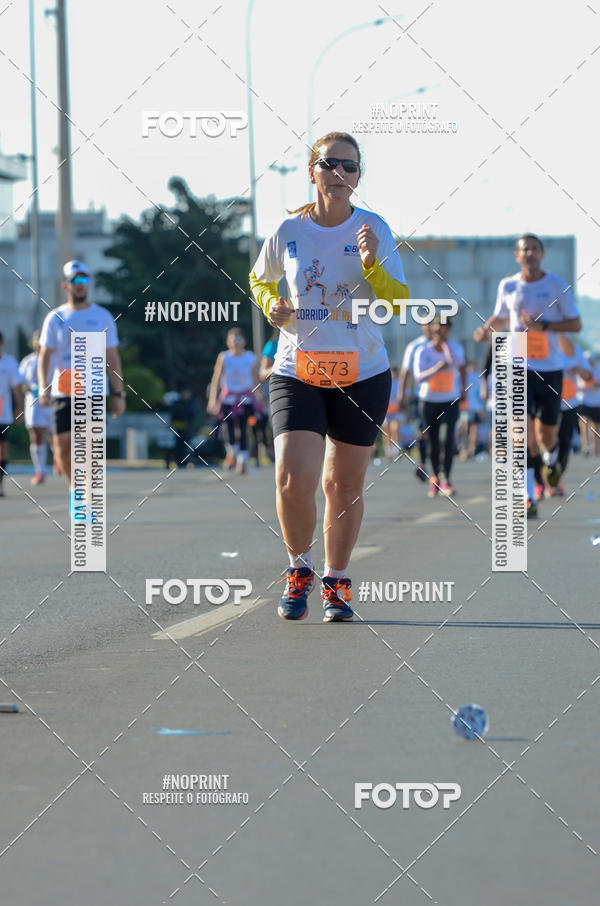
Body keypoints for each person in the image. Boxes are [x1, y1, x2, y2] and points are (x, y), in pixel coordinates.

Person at [249, 130, 409, 622]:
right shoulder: (289, 231)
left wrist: (370, 265)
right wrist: (271, 303)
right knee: (292, 479)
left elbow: (398, 301)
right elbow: (259, 278)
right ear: (312, 170)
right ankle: (299, 569)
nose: (340, 173)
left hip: (362, 372)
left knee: (342, 484)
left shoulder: (374, 228)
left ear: (358, 177)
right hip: (298, 369)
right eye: (331, 164)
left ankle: (336, 582)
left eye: (351, 166)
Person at [474, 234, 581, 518]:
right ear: (517, 256)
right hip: (516, 364)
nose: (530, 253)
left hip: (549, 367)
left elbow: (576, 323)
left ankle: (551, 458)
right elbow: (499, 317)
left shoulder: (557, 285)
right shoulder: (507, 285)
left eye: (534, 249)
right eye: (525, 250)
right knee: (520, 435)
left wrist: (542, 326)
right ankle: (527, 496)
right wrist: (486, 330)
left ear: (542, 254)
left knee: (546, 437)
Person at [38, 260, 125, 508]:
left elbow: (113, 358)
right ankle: (74, 488)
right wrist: (43, 386)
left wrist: (119, 394)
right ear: (65, 285)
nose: (80, 285)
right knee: (63, 446)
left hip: (94, 388)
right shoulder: (55, 318)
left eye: (84, 280)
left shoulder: (102, 316)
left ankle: (87, 495)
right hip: (64, 389)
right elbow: (45, 356)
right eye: (75, 280)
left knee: (91, 446)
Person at [413, 318, 466, 497]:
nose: (442, 331)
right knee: (433, 441)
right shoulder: (422, 350)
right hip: (428, 401)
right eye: (439, 328)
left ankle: (446, 479)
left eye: (445, 328)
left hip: (449, 400)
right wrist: (436, 368)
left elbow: (459, 366)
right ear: (432, 329)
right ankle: (435, 478)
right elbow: (418, 377)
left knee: (447, 438)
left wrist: (445, 348)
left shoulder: (455, 348)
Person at [207, 327, 260, 475]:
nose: (236, 342)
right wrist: (213, 400)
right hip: (229, 398)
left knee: (244, 428)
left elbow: (255, 379)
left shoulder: (250, 357)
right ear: (228, 342)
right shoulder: (224, 357)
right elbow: (216, 378)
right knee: (228, 429)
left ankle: (242, 460)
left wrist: (260, 398)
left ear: (244, 341)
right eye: (233, 339)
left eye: (239, 338)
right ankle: (232, 453)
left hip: (245, 398)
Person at [554, 335, 591, 496]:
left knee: (565, 441)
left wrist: (579, 371)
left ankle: (555, 479)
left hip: (570, 403)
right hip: (548, 401)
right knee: (545, 440)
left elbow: (588, 376)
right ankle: (543, 478)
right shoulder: (548, 346)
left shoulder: (576, 351)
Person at [20, 330, 54, 485]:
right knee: (36, 435)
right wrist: (31, 388)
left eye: (41, 339)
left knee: (54, 437)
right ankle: (40, 470)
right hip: (33, 404)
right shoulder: (27, 361)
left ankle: (57, 460)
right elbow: (21, 384)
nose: (38, 342)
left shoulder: (53, 360)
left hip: (52, 404)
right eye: (36, 339)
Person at [398, 324, 431, 481]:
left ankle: (441, 471)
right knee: (422, 431)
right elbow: (406, 372)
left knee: (440, 434)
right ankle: (423, 463)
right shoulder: (415, 346)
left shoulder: (446, 346)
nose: (432, 328)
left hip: (444, 398)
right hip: (421, 397)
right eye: (428, 324)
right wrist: (402, 395)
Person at [0, 331, 25, 498]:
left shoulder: (9, 363)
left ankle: (0, 484)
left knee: (2, 451)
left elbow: (17, 389)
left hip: (3, 413)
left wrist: (20, 408)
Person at [578, 350, 600, 456]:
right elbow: (578, 385)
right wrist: (588, 385)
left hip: (596, 403)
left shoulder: (598, 369)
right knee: (584, 424)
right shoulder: (582, 371)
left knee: (596, 427)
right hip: (584, 401)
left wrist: (594, 385)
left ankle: (595, 449)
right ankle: (585, 446)